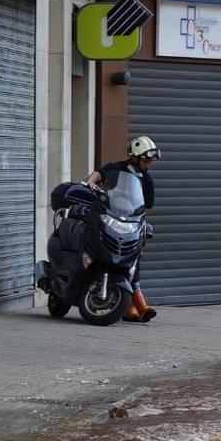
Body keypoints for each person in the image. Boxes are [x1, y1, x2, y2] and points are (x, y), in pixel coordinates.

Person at [87, 135, 160, 322]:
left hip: (130, 223)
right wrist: (91, 182)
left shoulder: (147, 180)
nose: (148, 164)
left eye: (150, 160)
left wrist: (136, 219)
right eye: (145, 160)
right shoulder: (117, 168)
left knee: (134, 259)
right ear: (135, 157)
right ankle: (129, 305)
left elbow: (147, 207)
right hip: (110, 218)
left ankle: (138, 303)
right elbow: (99, 174)